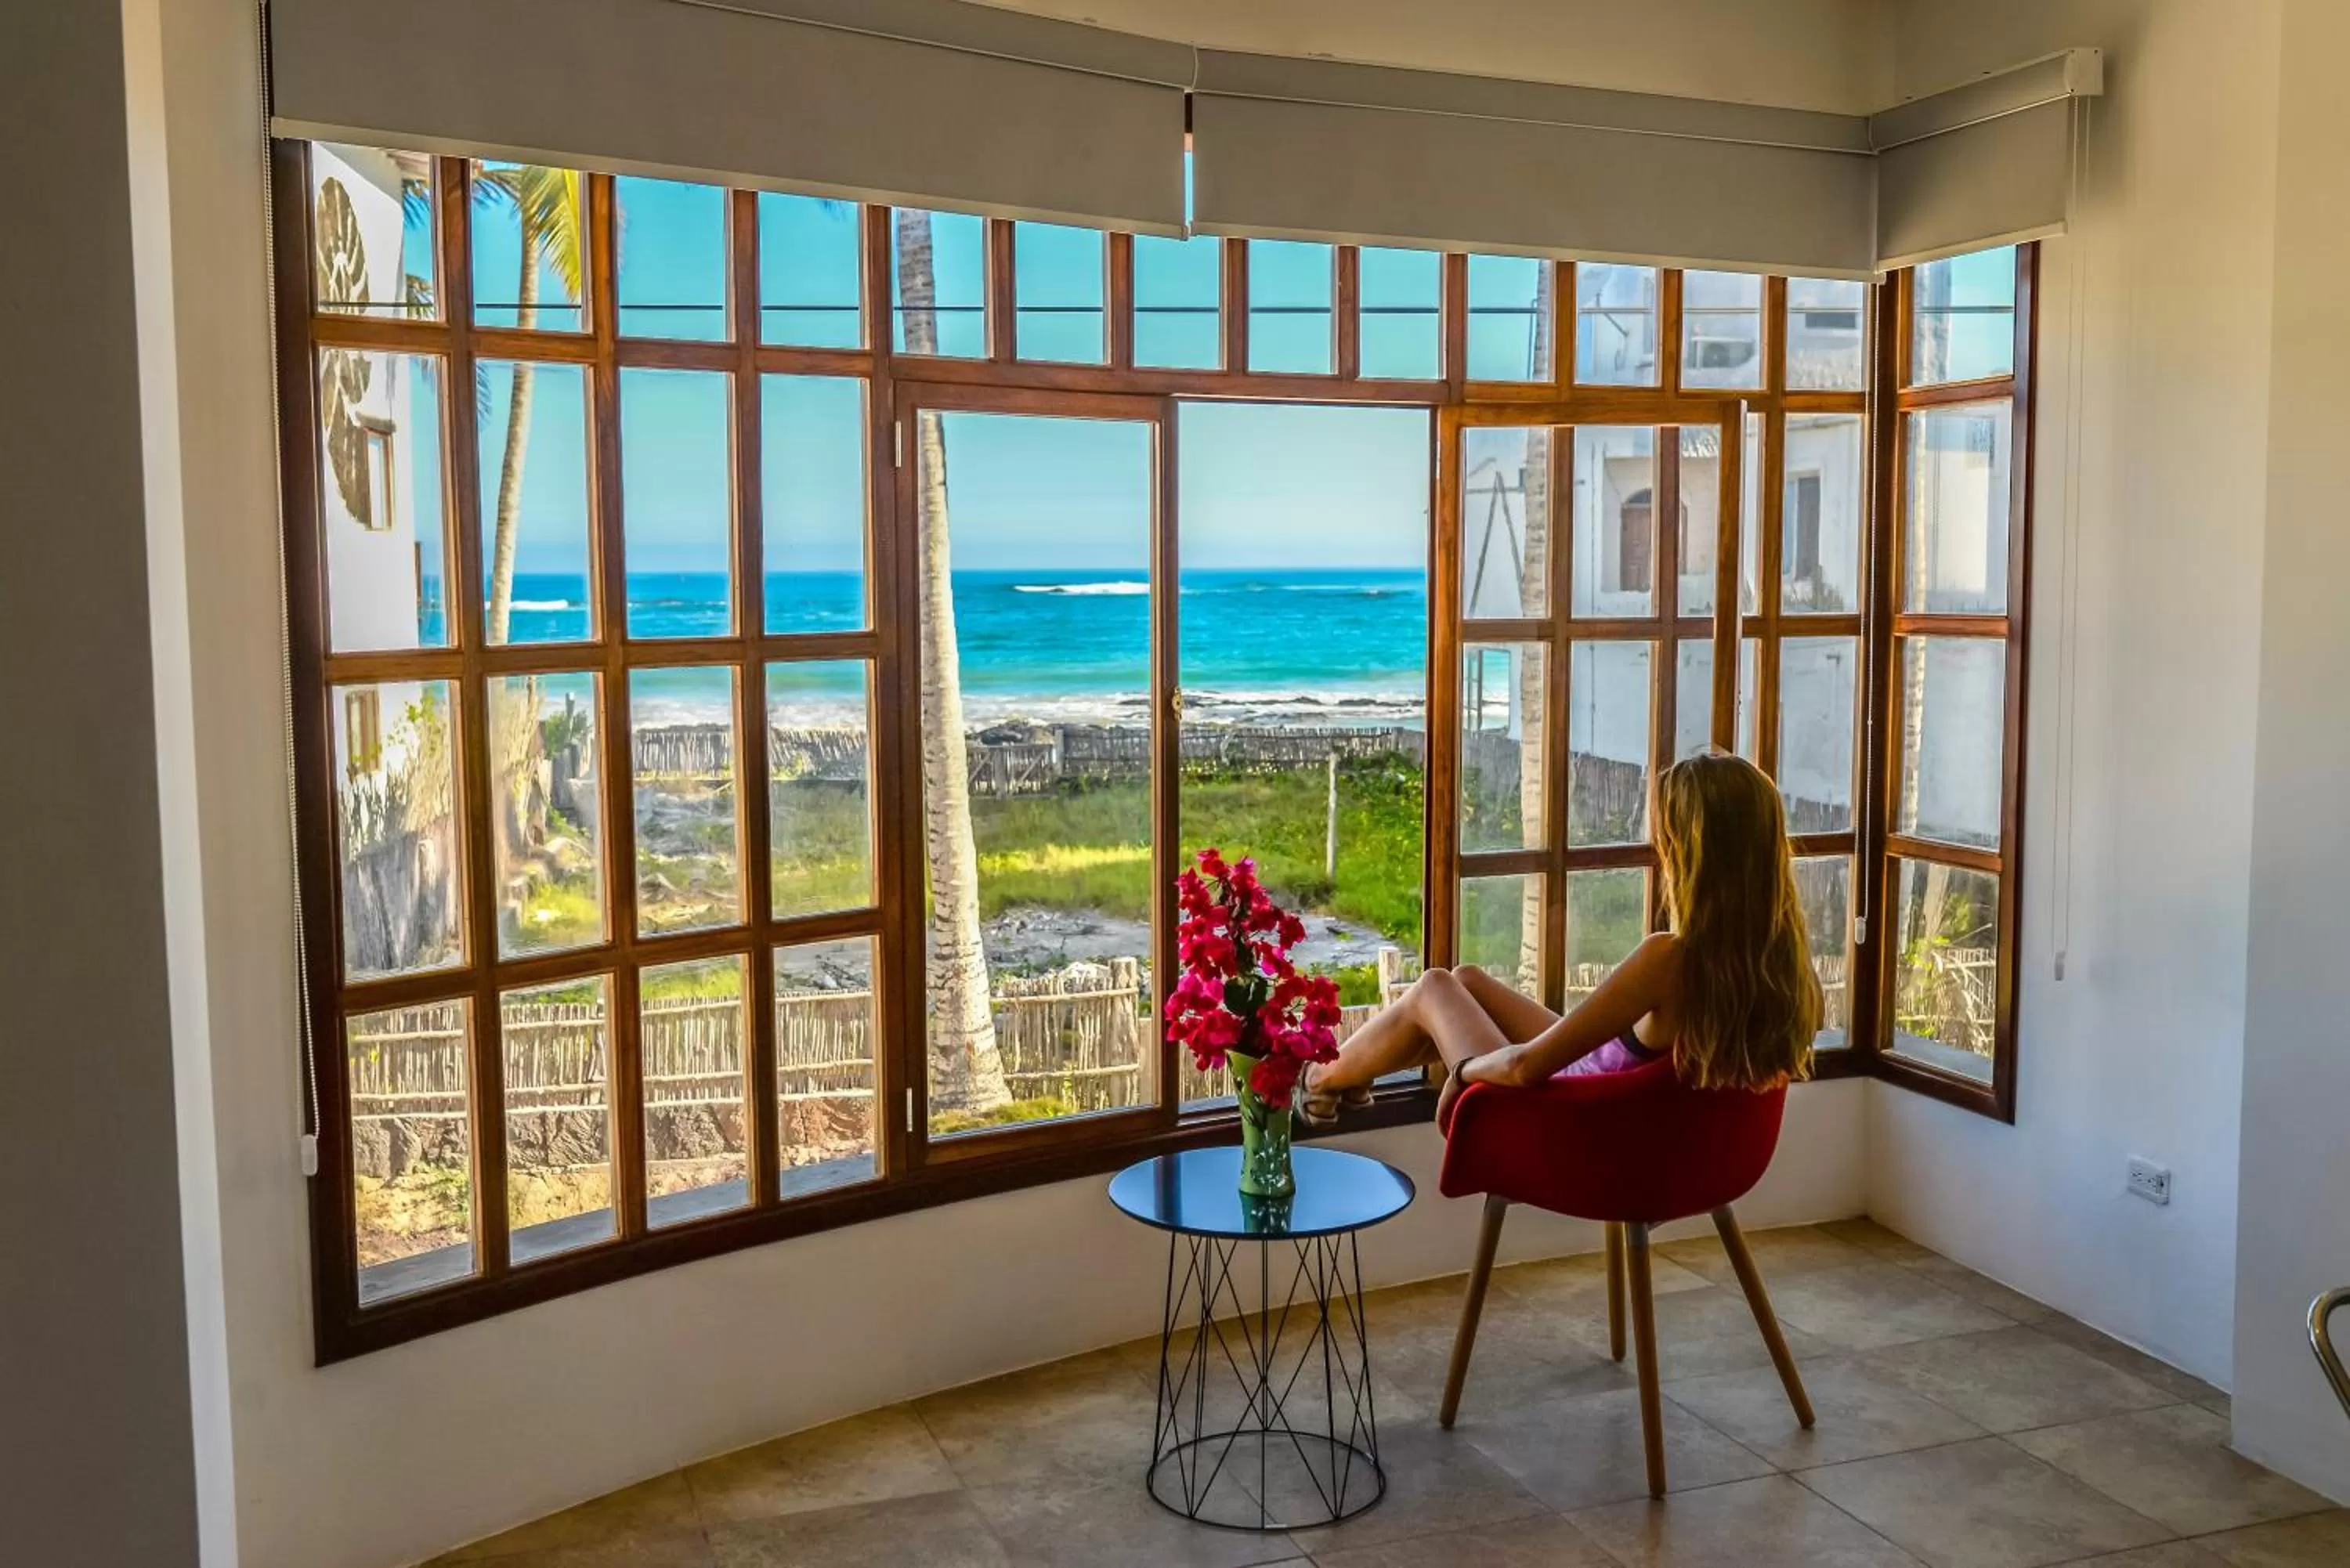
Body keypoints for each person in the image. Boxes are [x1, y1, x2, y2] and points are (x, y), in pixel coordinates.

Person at [1300, 751, 1821, 1129]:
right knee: (1467, 982)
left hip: (1567, 1122)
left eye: (1664, 839)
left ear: (1690, 854)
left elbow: (1526, 1069)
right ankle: (1346, 1074)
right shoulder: (1786, 969)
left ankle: (1319, 1080)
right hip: (1627, 1112)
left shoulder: (1669, 959)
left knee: (1436, 985)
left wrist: (1462, 1073)